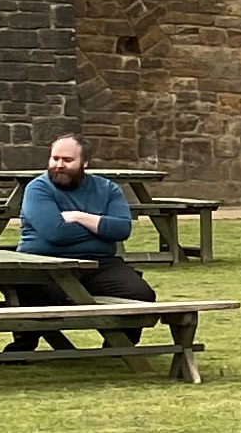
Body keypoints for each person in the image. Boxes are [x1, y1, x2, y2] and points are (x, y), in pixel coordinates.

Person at [11, 134, 154, 349]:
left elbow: (122, 229)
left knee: (140, 294)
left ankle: (118, 348)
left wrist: (80, 217)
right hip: (45, 263)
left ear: (85, 163)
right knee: (34, 293)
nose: (59, 165)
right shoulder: (37, 188)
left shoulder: (108, 189)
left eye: (67, 160)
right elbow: (56, 233)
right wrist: (101, 230)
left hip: (100, 264)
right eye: (54, 158)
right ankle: (23, 347)